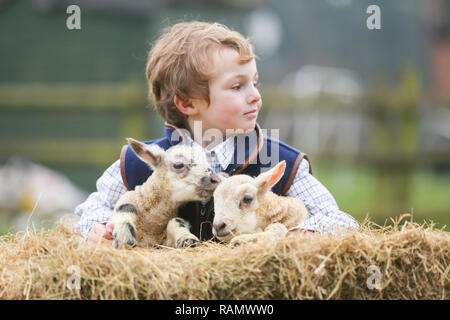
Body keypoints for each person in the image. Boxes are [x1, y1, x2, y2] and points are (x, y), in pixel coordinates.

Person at [75, 21, 359, 245]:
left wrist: (304, 233)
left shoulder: (279, 161)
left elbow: (340, 220)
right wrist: (99, 229)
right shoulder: (140, 163)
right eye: (237, 87)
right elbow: (90, 211)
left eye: (255, 83)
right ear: (187, 103)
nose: (255, 97)